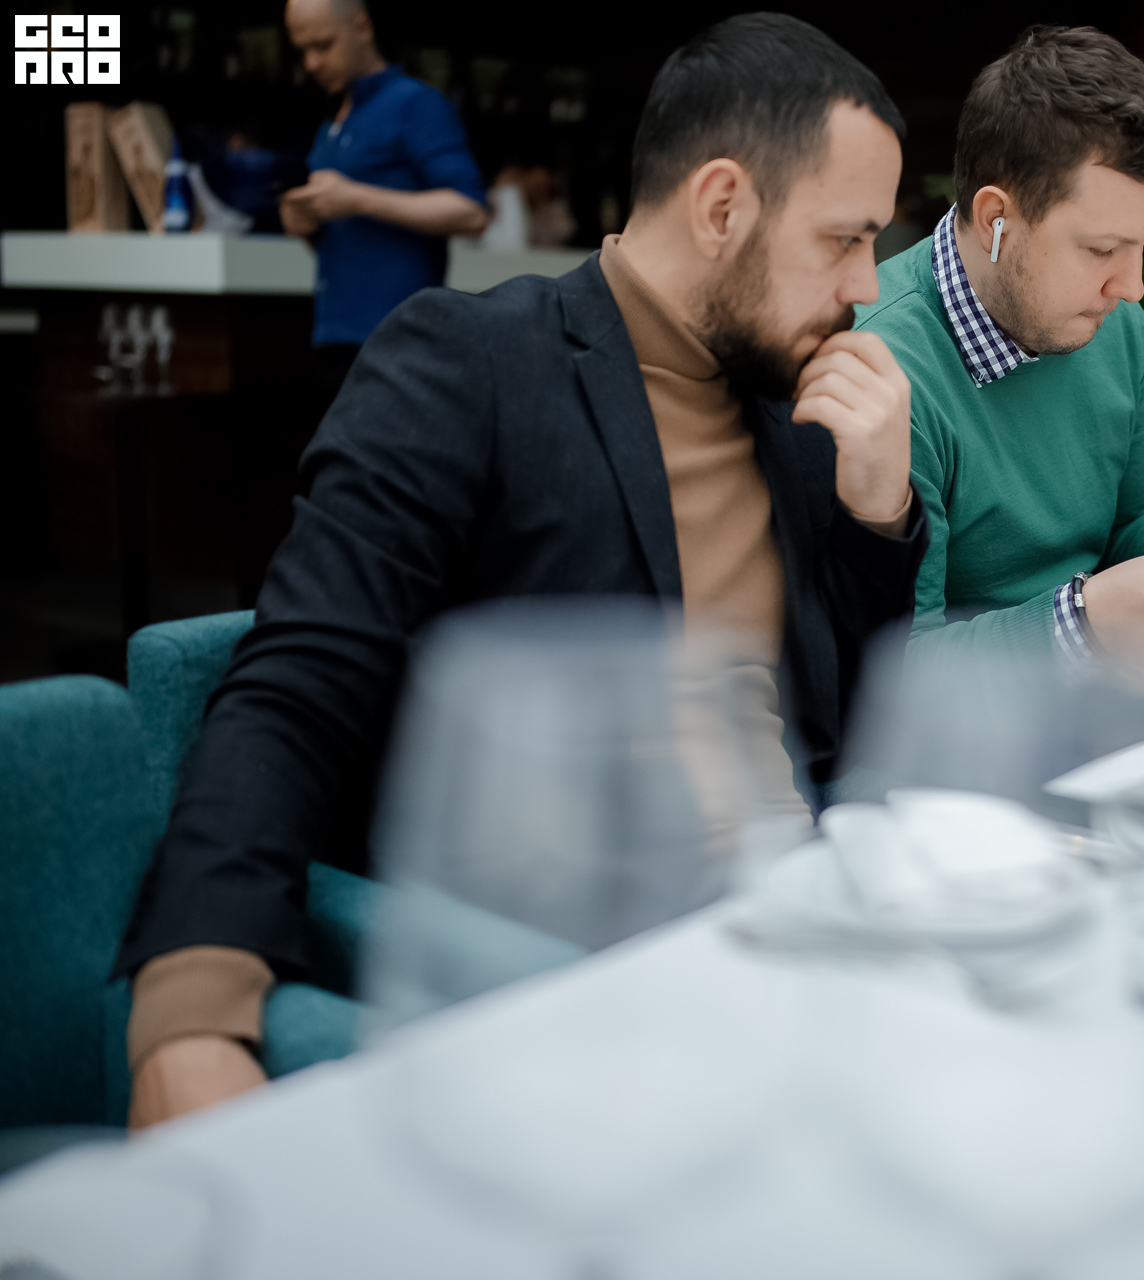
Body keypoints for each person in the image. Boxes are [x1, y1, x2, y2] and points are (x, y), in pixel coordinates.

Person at [114, 13, 925, 1128]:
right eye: (844, 239)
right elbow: (300, 682)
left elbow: (858, 735)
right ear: (722, 206)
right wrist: (193, 1010)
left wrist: (881, 516)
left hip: (815, 936)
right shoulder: (470, 364)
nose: (868, 285)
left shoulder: (795, 407)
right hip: (590, 980)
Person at [855, 26, 1144, 679]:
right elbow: (896, 670)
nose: (1133, 287)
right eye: (1102, 249)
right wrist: (1085, 625)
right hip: (958, 740)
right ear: (995, 220)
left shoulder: (1117, 328)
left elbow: (1132, 529)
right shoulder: (879, 372)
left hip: (1106, 715)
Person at [280, 0, 490, 388]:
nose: (311, 63)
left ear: (362, 27)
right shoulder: (332, 122)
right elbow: (349, 238)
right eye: (303, 50)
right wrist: (306, 224)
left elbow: (471, 210)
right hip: (334, 335)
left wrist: (357, 198)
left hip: (401, 338)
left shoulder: (415, 103)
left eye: (323, 45)